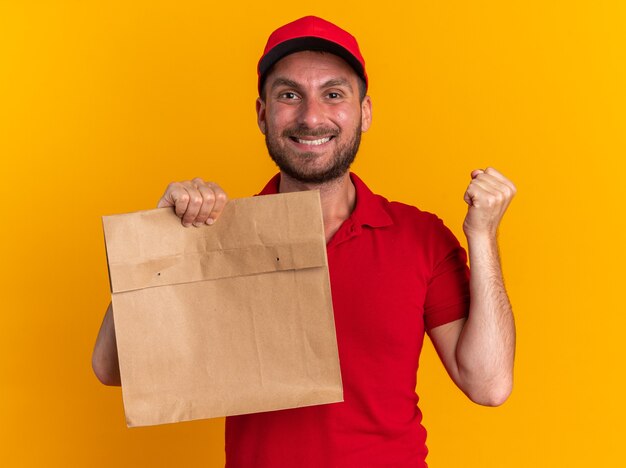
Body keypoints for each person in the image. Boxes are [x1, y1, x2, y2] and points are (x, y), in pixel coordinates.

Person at [92, 16, 516, 467]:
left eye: (333, 94)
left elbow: (488, 384)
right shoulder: (218, 236)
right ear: (262, 114)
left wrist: (483, 236)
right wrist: (163, 241)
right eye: (289, 95)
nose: (311, 116)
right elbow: (112, 367)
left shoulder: (420, 236)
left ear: (365, 111)